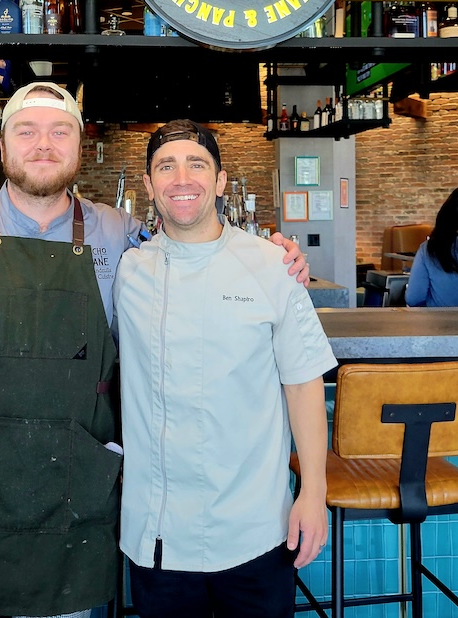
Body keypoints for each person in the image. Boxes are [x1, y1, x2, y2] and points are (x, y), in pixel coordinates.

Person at [0, 82, 308, 618]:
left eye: (59, 131)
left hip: (70, 511)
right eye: (26, 131)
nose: (42, 144)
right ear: (3, 148)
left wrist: (271, 255)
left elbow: (195, 239)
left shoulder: (120, 233)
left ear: (78, 145)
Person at [113, 119, 337, 618]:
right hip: (158, 534)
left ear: (219, 180)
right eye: (165, 167)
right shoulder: (127, 272)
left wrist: (314, 492)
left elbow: (303, 386)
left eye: (197, 164)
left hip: (257, 528)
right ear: (149, 186)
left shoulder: (272, 266)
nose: (182, 178)